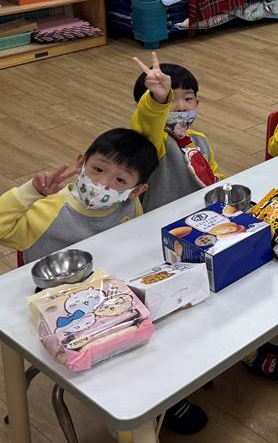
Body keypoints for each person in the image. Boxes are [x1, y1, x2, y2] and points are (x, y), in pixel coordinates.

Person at [0, 130, 209, 434]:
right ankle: (133, 420)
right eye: (98, 169)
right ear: (81, 162)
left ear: (137, 191)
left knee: (172, 324)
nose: (104, 184)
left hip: (112, 302)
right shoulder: (48, 210)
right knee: (129, 360)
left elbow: (132, 248)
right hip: (61, 314)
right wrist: (29, 193)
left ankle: (163, 395)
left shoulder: (129, 207)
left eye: (120, 180)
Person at [130, 53, 223, 211]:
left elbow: (212, 174)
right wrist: (158, 99)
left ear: (197, 102)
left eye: (188, 99)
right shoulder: (152, 141)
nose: (181, 107)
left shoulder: (199, 140)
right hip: (160, 218)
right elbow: (149, 121)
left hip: (200, 212)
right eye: (172, 100)